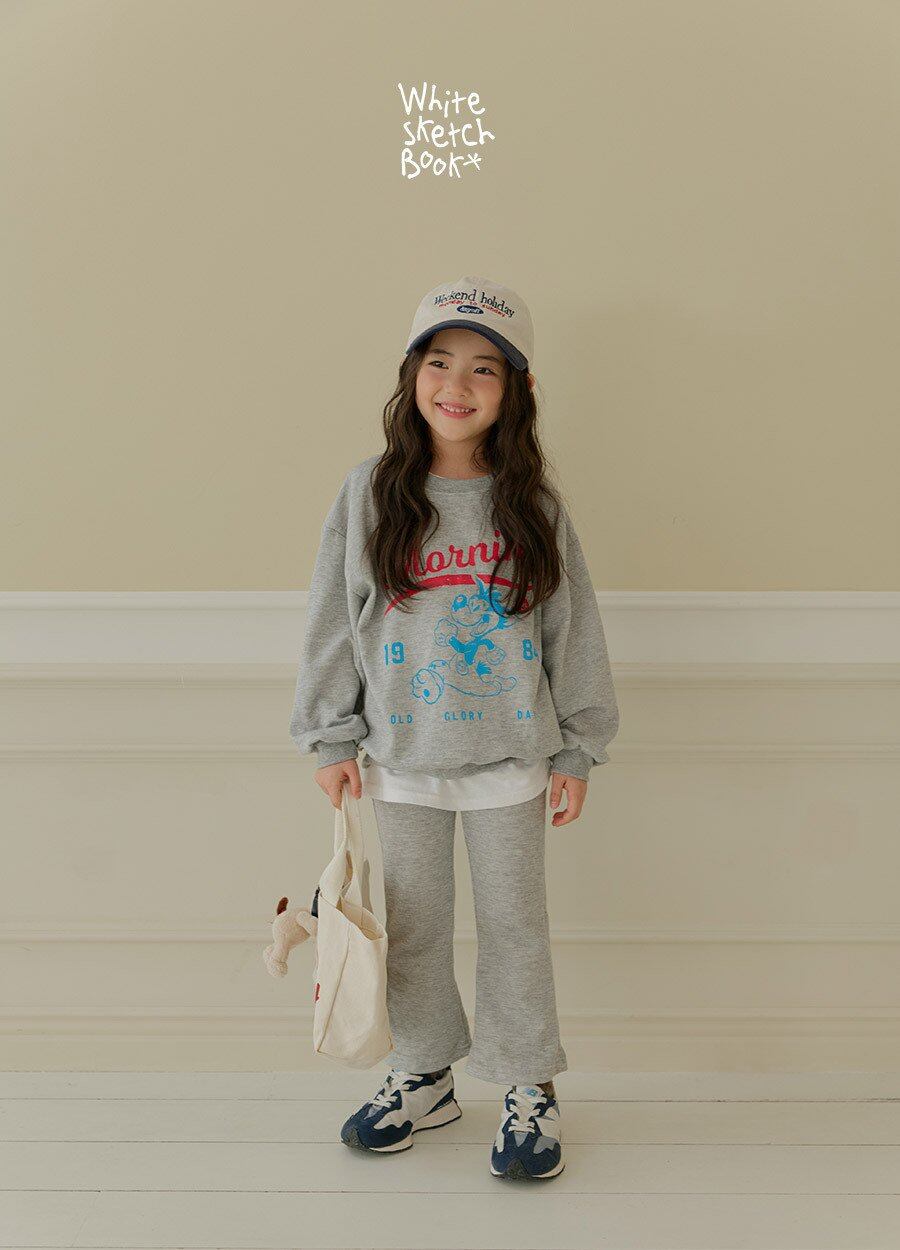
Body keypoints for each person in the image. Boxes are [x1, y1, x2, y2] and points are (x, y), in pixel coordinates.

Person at [289, 275, 619, 1182]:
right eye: (440, 362)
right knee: (417, 926)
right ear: (412, 374)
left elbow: (572, 629)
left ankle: (526, 1083)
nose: (458, 385)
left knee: (515, 927)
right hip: (401, 759)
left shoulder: (532, 505)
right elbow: (333, 619)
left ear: (516, 391)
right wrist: (331, 737)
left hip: (512, 757)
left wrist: (578, 746)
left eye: (484, 369)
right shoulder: (369, 494)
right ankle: (424, 1072)